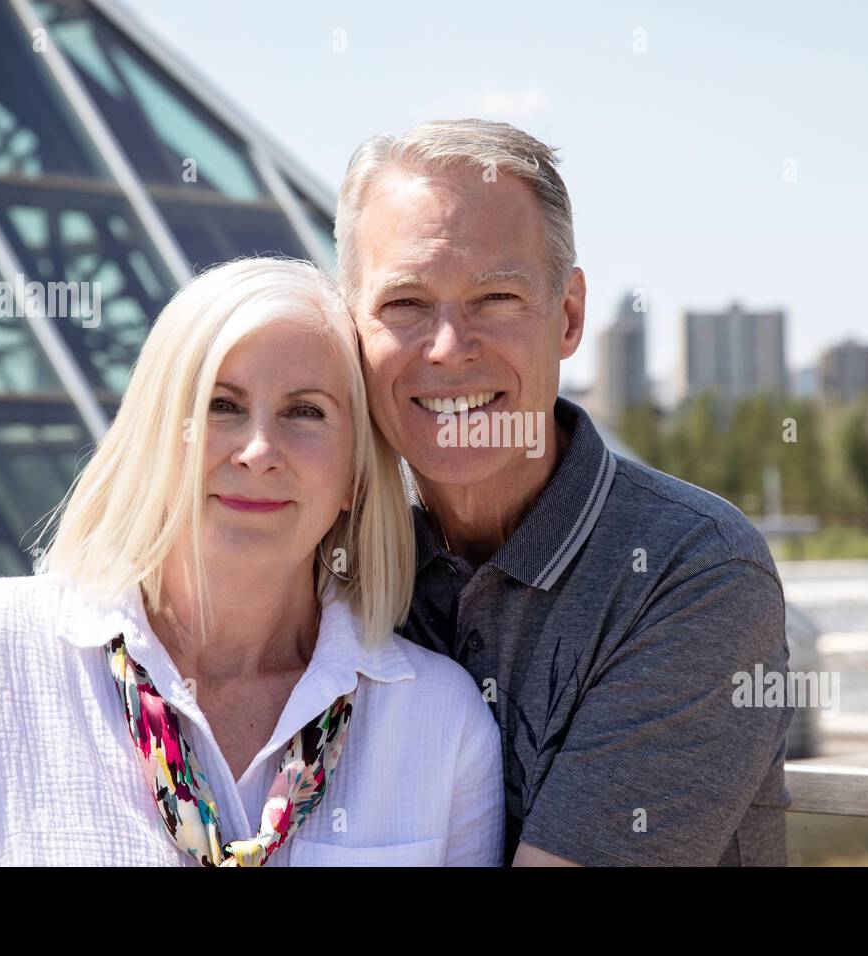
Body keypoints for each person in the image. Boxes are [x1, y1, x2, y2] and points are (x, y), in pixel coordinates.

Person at [0, 258, 503, 866]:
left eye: (305, 412)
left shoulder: (439, 724)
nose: (258, 450)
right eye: (222, 405)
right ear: (157, 437)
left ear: (357, 475)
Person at [335, 119, 795, 866]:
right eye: (405, 304)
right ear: (352, 330)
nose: (449, 347)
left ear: (570, 316)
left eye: (495, 297)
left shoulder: (693, 572)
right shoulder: (329, 555)